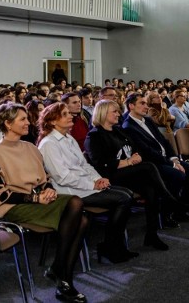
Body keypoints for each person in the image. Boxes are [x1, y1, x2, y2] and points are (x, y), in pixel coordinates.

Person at [0, 103, 88, 302]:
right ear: (7, 123)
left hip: (37, 200)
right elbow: (1, 195)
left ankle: (61, 273)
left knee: (82, 219)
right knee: (75, 205)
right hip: (15, 207)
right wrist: (35, 197)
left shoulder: (30, 147)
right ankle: (61, 275)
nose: (28, 122)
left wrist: (48, 189)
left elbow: (45, 177)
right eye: (22, 119)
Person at [37, 102, 136, 263]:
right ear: (53, 121)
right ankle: (109, 247)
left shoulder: (68, 138)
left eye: (70, 113)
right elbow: (62, 177)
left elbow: (84, 165)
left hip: (85, 185)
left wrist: (98, 179)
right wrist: (92, 184)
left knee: (127, 193)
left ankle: (112, 245)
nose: (71, 116)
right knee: (123, 199)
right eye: (65, 114)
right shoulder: (49, 144)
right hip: (69, 192)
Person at [85, 100, 183, 250]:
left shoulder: (118, 130)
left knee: (151, 190)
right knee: (149, 167)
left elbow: (137, 150)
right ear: (103, 113)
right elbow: (102, 164)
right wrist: (129, 161)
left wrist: (134, 158)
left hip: (130, 173)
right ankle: (169, 198)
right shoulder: (95, 136)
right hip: (111, 176)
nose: (118, 114)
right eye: (114, 111)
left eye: (118, 111)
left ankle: (152, 235)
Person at [122, 94, 189, 223]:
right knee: (177, 176)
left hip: (167, 159)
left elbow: (164, 141)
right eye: (142, 103)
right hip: (152, 164)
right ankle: (165, 216)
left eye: (146, 103)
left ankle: (180, 212)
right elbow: (147, 152)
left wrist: (174, 159)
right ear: (131, 106)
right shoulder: (128, 127)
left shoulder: (147, 120)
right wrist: (172, 164)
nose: (146, 106)